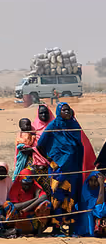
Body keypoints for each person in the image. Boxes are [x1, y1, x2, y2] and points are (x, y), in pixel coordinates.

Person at [36, 101, 90, 236]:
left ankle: (71, 227)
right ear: (59, 111)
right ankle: (57, 227)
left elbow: (79, 146)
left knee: (72, 197)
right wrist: (51, 160)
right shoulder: (53, 125)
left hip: (73, 169)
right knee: (58, 198)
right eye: (64, 110)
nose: (66, 112)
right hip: (58, 170)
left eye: (68, 109)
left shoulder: (74, 124)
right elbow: (40, 145)